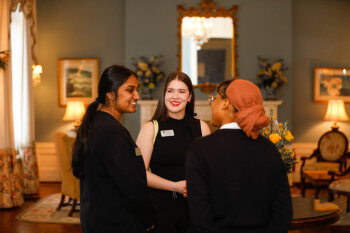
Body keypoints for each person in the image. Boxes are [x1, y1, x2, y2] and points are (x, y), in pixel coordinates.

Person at [186, 79, 293, 233]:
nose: (212, 104)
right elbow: (283, 213)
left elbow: (199, 216)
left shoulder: (199, 149)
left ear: (225, 103)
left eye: (214, 99)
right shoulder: (270, 150)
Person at [72, 65, 155, 233]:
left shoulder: (97, 123)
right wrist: (148, 219)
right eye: (130, 90)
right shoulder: (112, 132)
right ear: (110, 95)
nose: (137, 96)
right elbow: (130, 185)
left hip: (96, 218)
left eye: (137, 90)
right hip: (116, 222)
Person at [136, 72, 211, 233]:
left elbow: (210, 171)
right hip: (160, 209)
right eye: (170, 91)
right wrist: (174, 186)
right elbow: (139, 174)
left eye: (181, 91)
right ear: (164, 95)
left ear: (190, 96)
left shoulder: (202, 128)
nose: (175, 96)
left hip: (195, 209)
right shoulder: (150, 128)